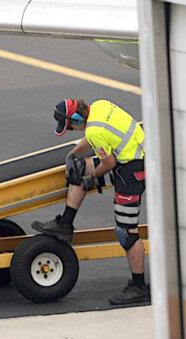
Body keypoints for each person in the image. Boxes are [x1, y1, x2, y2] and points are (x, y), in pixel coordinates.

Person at [32, 98, 150, 306]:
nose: (70, 130)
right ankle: (65, 224)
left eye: (69, 126)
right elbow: (94, 139)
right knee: (77, 169)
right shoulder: (100, 106)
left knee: (126, 233)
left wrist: (93, 178)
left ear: (77, 119)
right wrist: (72, 155)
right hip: (130, 155)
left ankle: (139, 287)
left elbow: (108, 162)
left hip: (133, 168)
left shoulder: (95, 130)